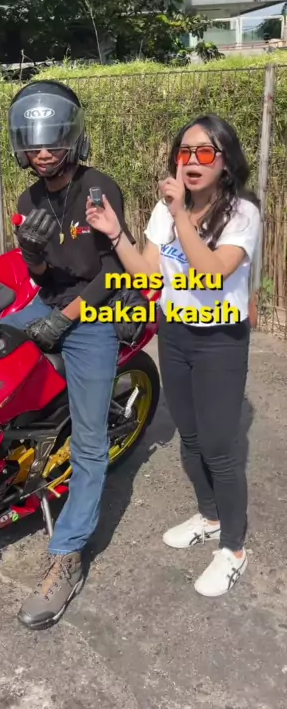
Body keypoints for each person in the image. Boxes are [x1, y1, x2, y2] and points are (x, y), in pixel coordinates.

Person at [86, 114, 261, 598]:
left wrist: (180, 213)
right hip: (175, 333)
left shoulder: (242, 213)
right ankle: (208, 516)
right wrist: (116, 233)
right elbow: (148, 275)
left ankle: (234, 549)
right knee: (190, 436)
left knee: (220, 448)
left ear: (224, 161)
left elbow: (212, 273)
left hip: (220, 340)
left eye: (205, 152)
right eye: (185, 152)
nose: (192, 161)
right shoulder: (165, 212)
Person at [0, 79, 136, 629]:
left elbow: (113, 270)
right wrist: (32, 256)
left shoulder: (99, 188)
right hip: (48, 302)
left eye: (53, 139)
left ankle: (69, 554)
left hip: (95, 312)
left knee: (90, 442)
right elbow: (42, 278)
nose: (42, 151)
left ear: (72, 137)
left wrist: (67, 318)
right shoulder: (27, 201)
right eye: (33, 142)